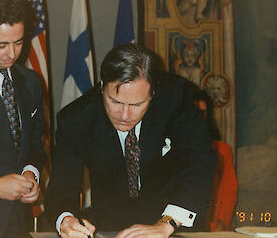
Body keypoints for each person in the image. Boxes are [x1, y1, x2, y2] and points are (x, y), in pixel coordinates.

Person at [45, 43, 217, 238]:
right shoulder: (75, 120)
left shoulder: (174, 97)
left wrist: (165, 225)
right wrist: (66, 220)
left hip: (173, 223)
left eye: (137, 104)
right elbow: (61, 189)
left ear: (152, 93)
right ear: (102, 87)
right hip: (112, 227)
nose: (124, 115)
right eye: (115, 101)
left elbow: (200, 161)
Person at [0, 0, 46, 238]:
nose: (12, 54)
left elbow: (35, 144)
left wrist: (31, 173)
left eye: (18, 42)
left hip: (17, 223)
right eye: (1, 44)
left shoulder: (30, 82)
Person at [192, 85, 238, 231]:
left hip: (213, 227)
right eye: (195, 113)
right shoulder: (171, 148)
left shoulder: (222, 151)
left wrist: (221, 223)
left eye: (203, 113)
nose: (199, 118)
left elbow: (229, 192)